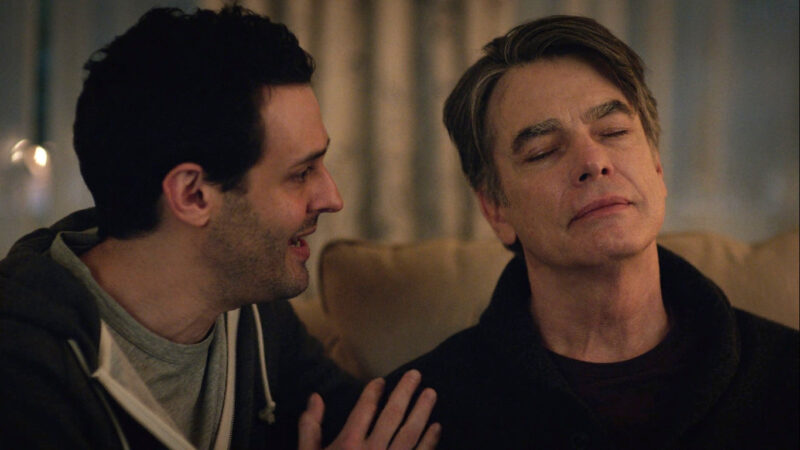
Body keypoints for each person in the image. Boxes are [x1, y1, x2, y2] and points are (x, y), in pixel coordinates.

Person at [0, 6, 439, 449]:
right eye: (301, 173)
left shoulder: (253, 311)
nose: (332, 198)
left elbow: (378, 423)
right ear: (193, 195)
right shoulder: (22, 368)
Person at [382, 15, 799, 449]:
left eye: (614, 131)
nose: (593, 161)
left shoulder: (785, 375)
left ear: (657, 168)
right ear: (495, 209)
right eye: (543, 151)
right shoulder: (416, 418)